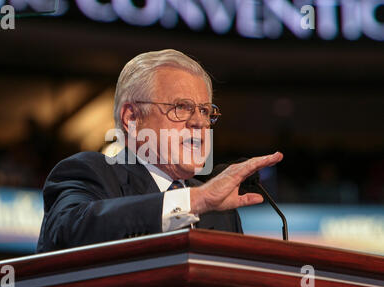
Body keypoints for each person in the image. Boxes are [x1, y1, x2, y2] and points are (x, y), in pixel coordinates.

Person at [37, 49, 283, 253]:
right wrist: (195, 201)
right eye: (181, 107)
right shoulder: (90, 173)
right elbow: (69, 232)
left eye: (205, 111)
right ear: (132, 117)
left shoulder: (220, 213)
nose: (199, 122)